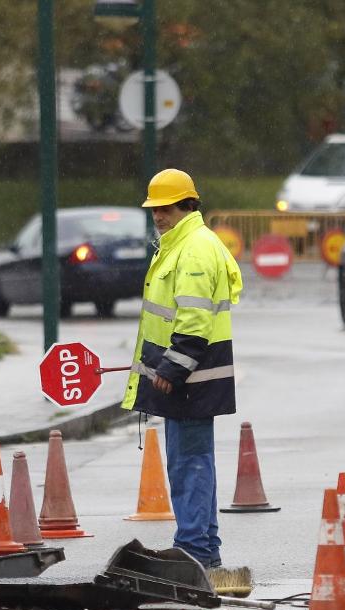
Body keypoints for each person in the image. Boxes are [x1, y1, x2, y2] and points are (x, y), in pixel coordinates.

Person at [122, 169, 242, 573]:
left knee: (189, 464)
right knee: (194, 461)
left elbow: (194, 319)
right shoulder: (184, 243)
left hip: (189, 377)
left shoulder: (192, 249)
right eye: (154, 209)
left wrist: (172, 368)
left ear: (188, 205)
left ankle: (192, 550)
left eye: (167, 208)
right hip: (192, 375)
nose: (159, 216)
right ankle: (204, 549)